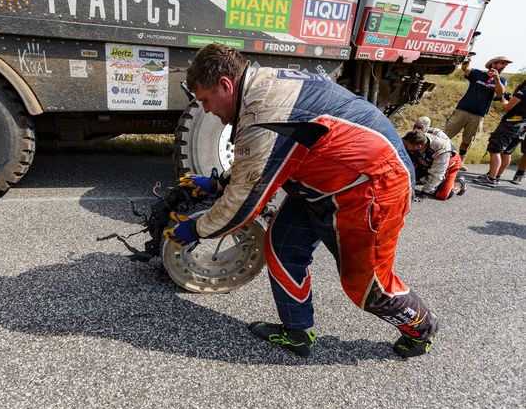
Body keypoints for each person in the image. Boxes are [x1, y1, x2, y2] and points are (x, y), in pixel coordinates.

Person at [164, 43, 440, 358]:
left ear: (225, 85)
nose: (208, 109)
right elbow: (261, 163)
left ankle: (422, 327)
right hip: (324, 178)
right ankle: (298, 333)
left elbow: (242, 206)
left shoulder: (262, 113)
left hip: (372, 185)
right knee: (282, 246)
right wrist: (217, 183)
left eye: (206, 100)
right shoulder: (260, 86)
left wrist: (196, 230)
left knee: (366, 288)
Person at [445, 56, 511, 170]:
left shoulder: (502, 80)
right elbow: (465, 69)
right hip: (462, 110)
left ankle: (459, 161)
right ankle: (437, 157)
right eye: (502, 63)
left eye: (506, 64)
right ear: (493, 64)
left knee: (467, 141)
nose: (504, 66)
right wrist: (466, 61)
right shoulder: (477, 74)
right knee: (446, 135)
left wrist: (497, 79)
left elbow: (501, 93)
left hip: (478, 115)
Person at [473, 80, 526, 188]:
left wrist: (504, 99)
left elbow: (507, 107)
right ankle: (497, 176)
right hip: (522, 126)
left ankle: (491, 178)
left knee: (495, 150)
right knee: (507, 152)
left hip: (509, 125)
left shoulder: (523, 91)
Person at [402, 129, 465, 200]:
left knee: (442, 195)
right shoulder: (414, 140)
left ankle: (460, 183)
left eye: (406, 146)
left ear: (419, 146)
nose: (404, 146)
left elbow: (437, 173)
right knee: (405, 181)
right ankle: (425, 179)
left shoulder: (441, 149)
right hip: (425, 162)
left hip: (448, 165)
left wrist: (425, 192)